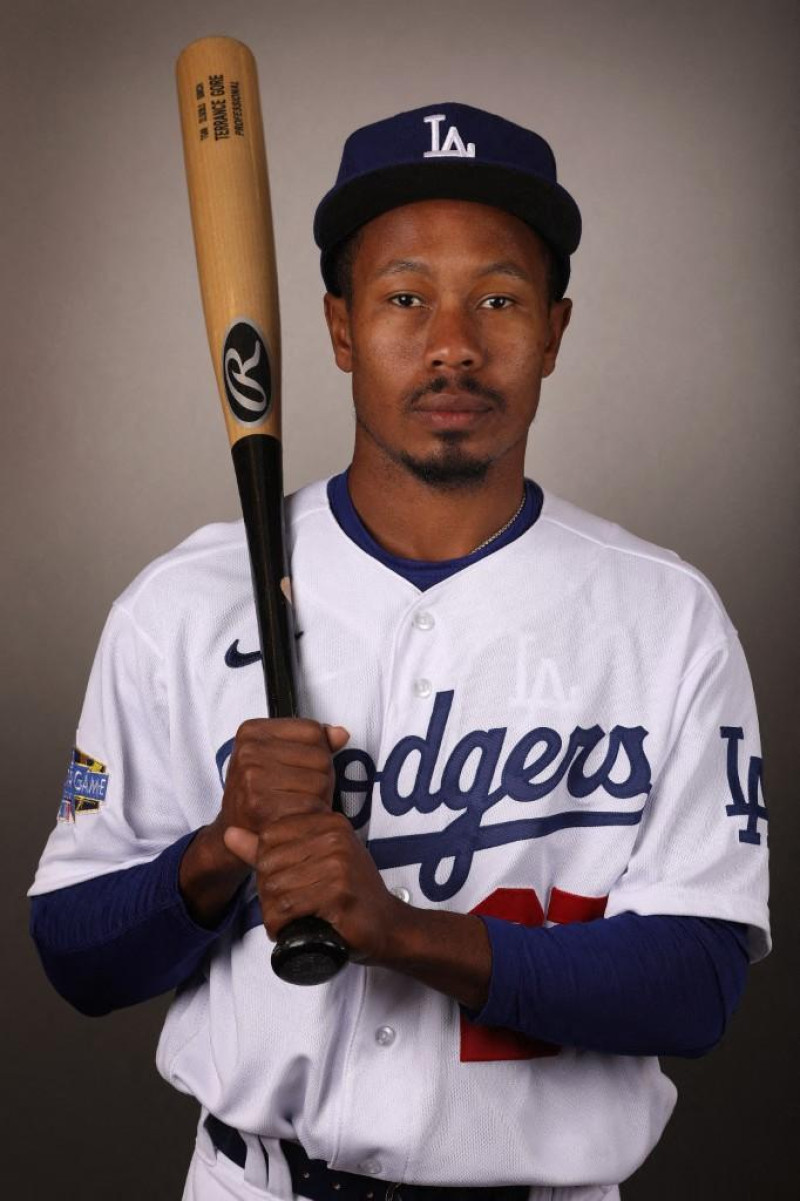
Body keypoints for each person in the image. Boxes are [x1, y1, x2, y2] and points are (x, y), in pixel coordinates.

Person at [30, 102, 770, 1201]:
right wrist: (218, 851)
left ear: (555, 331)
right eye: (405, 297)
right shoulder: (180, 603)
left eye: (499, 299)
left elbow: (695, 983)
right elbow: (75, 955)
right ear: (336, 329)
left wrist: (405, 932)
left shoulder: (662, 616)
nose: (452, 344)